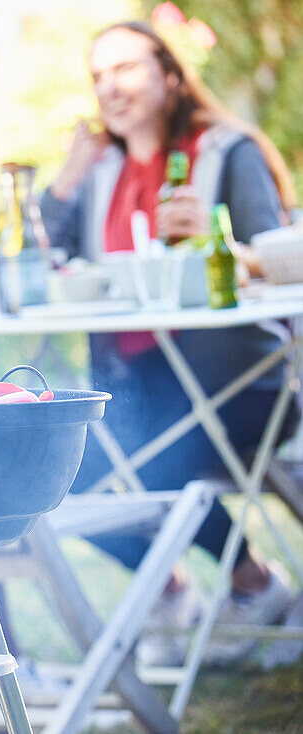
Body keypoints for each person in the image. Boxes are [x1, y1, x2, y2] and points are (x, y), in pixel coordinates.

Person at [40, 20, 299, 666]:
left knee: (144, 446)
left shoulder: (226, 153)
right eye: (98, 76)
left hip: (240, 381)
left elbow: (276, 263)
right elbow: (47, 265)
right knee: (57, 468)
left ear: (172, 75)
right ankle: (181, 589)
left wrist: (213, 250)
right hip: (138, 388)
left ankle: (253, 585)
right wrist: (66, 181)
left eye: (126, 69)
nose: (110, 88)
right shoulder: (99, 173)